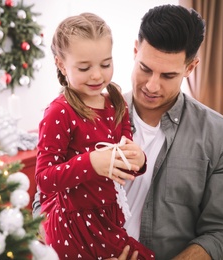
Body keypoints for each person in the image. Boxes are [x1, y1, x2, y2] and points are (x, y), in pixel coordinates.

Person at [34, 4, 223, 260]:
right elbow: (44, 197)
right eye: (145, 68)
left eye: (168, 75)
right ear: (135, 51)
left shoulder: (222, 138)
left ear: (190, 68)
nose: (152, 85)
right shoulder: (95, 111)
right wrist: (72, 243)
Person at [35, 12, 155, 259]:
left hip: (108, 217)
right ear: (61, 64)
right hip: (73, 224)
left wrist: (138, 160)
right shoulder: (59, 112)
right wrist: (91, 163)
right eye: (84, 67)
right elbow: (44, 179)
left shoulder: (116, 103)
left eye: (105, 64)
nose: (97, 75)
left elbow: (125, 167)